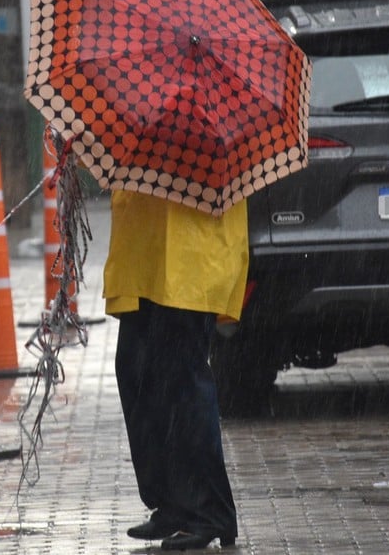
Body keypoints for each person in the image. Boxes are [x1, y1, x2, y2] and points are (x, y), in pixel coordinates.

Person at [105, 189, 248, 551]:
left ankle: (209, 511)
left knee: (183, 382)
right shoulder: (146, 131)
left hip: (190, 258)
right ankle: (173, 502)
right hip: (147, 254)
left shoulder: (208, 134)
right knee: (137, 370)